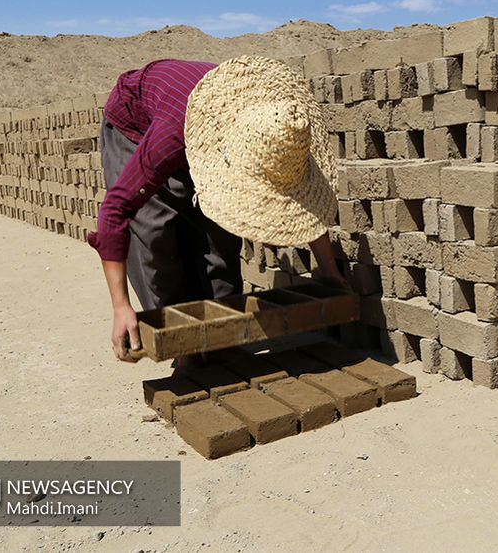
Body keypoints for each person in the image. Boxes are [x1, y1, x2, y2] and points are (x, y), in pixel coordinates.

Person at [87, 55, 346, 362]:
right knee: (155, 234)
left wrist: (329, 272)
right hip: (138, 128)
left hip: (200, 126)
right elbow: (116, 210)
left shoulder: (276, 124)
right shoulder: (168, 137)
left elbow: (303, 199)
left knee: (221, 237)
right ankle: (186, 352)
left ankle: (224, 346)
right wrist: (121, 307)